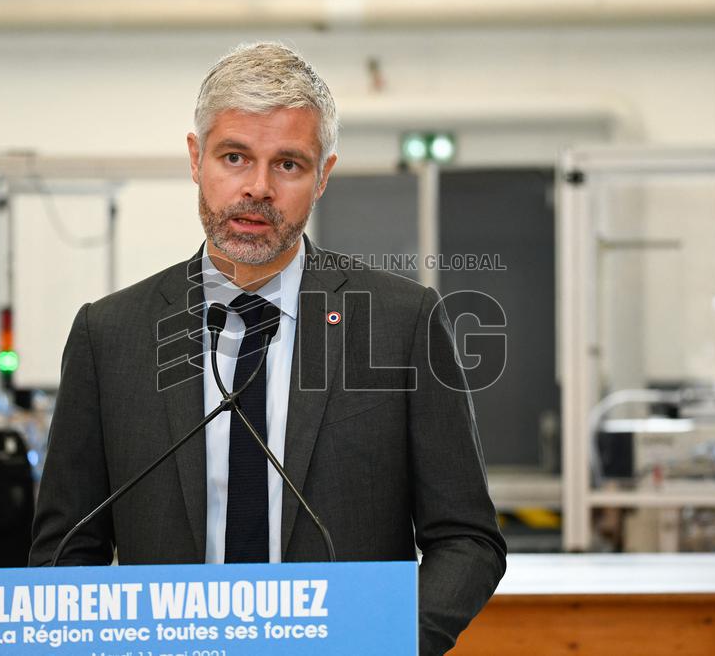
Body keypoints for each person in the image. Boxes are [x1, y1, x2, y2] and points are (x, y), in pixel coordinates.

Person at [29, 41, 506, 655]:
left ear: (323, 176)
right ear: (196, 159)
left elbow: (468, 538)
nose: (257, 188)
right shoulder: (110, 334)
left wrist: (391, 643)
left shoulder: (401, 322)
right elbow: (66, 551)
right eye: (234, 157)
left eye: (288, 164)